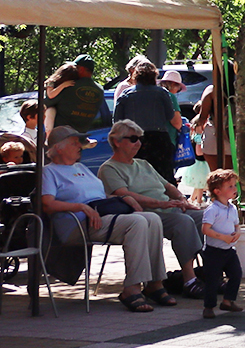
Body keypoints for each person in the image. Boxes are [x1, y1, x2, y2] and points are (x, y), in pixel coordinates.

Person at [41, 126, 167, 312]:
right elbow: (47, 204)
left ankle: (155, 283)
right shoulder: (49, 172)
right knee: (137, 222)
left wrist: (122, 198)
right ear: (59, 147)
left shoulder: (81, 167)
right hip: (78, 225)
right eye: (75, 143)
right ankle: (131, 288)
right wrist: (81, 207)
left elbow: (98, 196)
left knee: (151, 218)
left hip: (100, 218)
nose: (80, 146)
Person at [98, 119, 207, 298]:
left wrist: (181, 198)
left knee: (205, 216)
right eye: (133, 139)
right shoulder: (109, 168)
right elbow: (125, 195)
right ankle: (189, 279)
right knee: (184, 222)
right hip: (144, 214)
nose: (139, 143)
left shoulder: (143, 164)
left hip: (166, 208)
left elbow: (167, 186)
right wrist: (161, 204)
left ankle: (210, 272)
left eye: (140, 139)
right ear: (116, 141)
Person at [114, 63, 183, 182]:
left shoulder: (126, 94)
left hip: (135, 140)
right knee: (163, 178)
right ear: (154, 77)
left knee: (136, 178)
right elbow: (171, 116)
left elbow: (117, 121)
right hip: (159, 140)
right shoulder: (162, 93)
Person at [198, 169, 245, 319]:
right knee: (212, 279)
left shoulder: (232, 208)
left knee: (236, 274)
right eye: (230, 186)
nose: (234, 189)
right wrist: (222, 237)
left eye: (234, 185)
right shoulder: (213, 210)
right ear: (217, 191)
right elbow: (206, 229)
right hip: (214, 251)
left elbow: (237, 224)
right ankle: (209, 306)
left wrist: (237, 232)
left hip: (228, 249)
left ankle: (228, 300)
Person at [43, 55, 105, 133]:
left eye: (76, 68)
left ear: (81, 69)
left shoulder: (70, 85)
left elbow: (47, 103)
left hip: (62, 135)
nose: (73, 70)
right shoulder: (100, 90)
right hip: (82, 135)